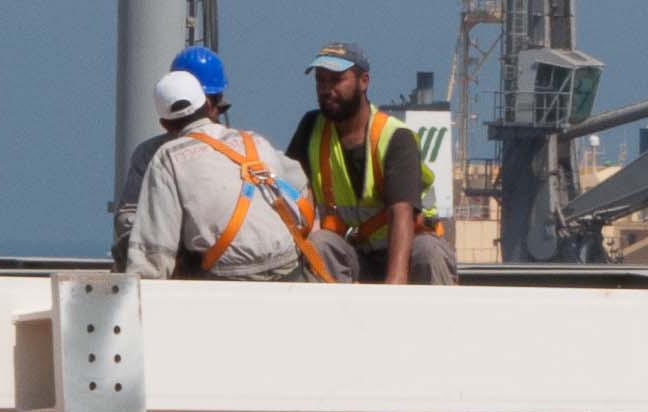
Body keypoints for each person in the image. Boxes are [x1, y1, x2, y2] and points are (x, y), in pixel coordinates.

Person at [126, 46, 324, 281]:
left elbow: (153, 252)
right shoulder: (254, 142)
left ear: (164, 123)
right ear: (209, 105)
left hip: (224, 275)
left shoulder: (164, 157)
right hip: (287, 268)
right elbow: (302, 192)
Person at [288, 40, 455, 284]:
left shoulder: (395, 138)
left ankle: (435, 310)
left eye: (336, 80)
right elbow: (291, 194)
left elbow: (401, 212)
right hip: (353, 252)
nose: (326, 89)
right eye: (320, 81)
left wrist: (393, 288)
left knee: (428, 253)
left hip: (408, 248)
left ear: (364, 81)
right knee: (319, 245)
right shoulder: (312, 129)